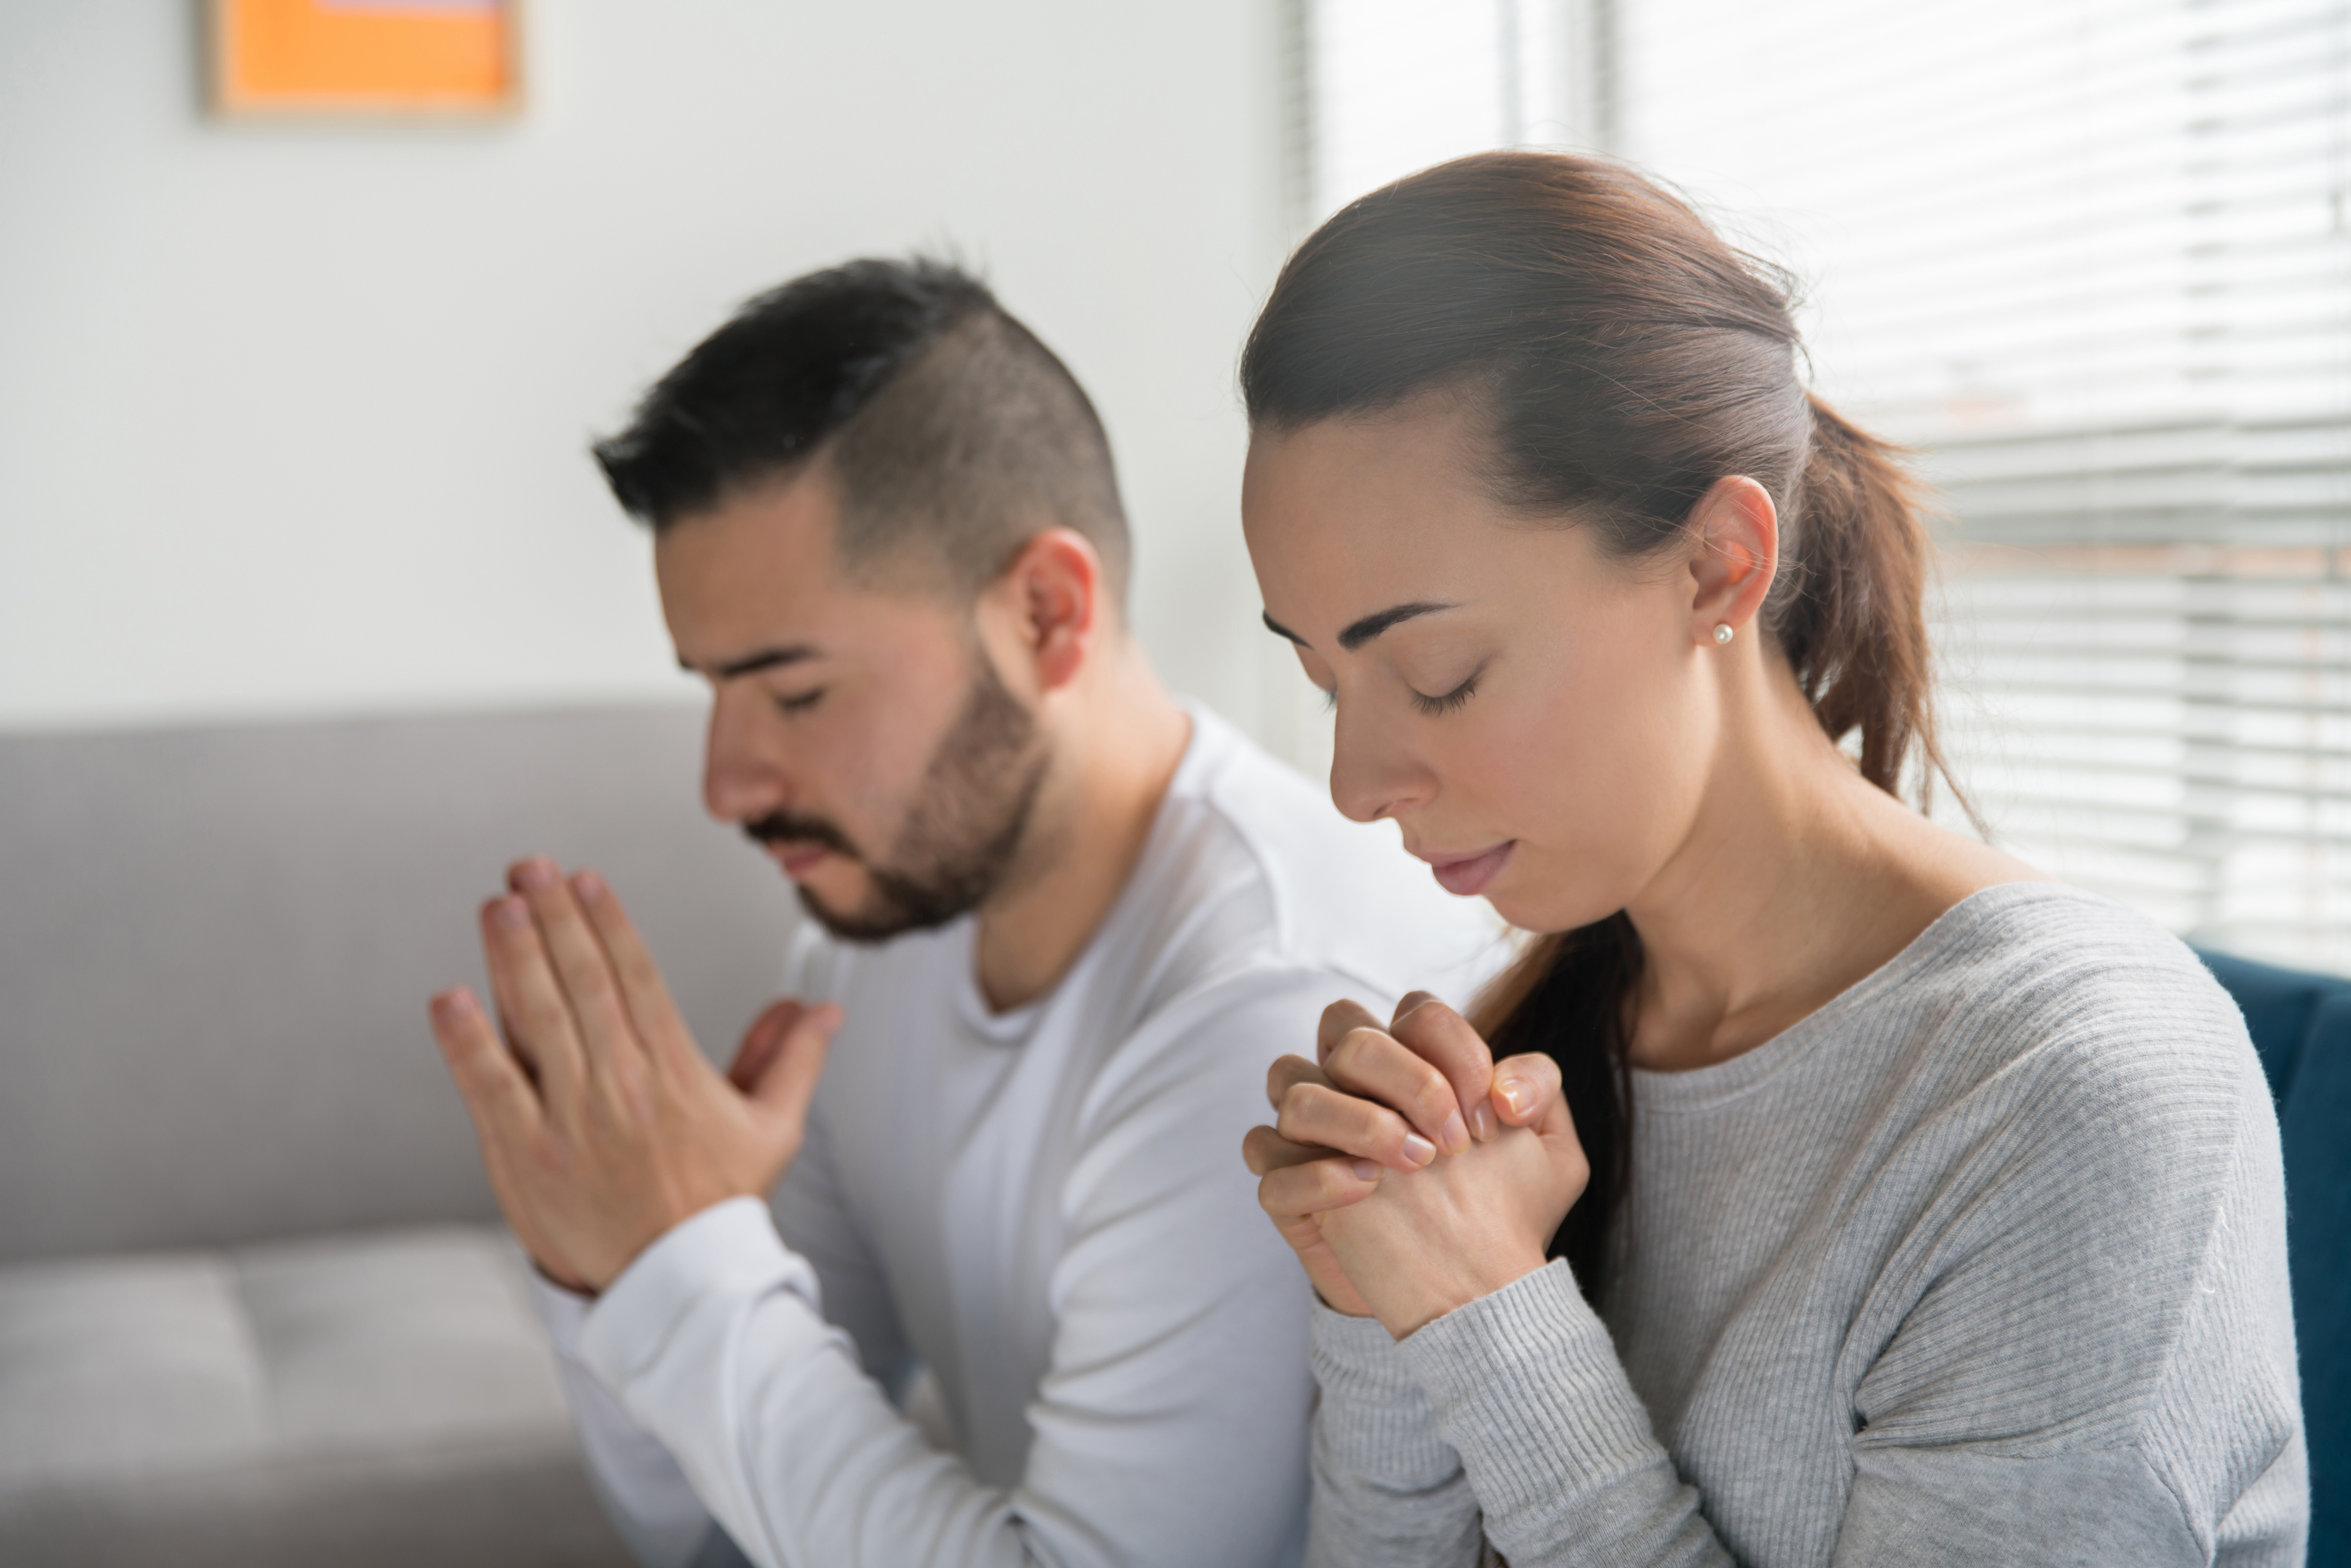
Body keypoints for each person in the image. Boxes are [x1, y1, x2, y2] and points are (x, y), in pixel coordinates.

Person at [1235, 152, 2306, 1566]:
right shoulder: (1520, 1059)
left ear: (1714, 566)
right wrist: (1383, 1313)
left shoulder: (2068, 1092)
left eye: (1435, 674)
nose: (1355, 784)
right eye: (1323, 681)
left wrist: (1484, 1317)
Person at [424, 258, 1499, 1568]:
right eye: (712, 688)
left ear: (1045, 614)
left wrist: (675, 1254)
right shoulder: (876, 937)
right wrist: (607, 1260)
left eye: (796, 692)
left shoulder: (1263, 1012)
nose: (725, 784)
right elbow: (715, 1528)